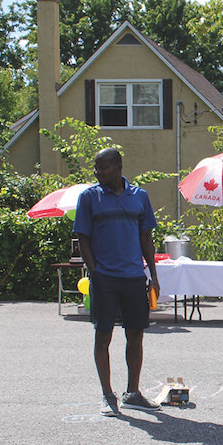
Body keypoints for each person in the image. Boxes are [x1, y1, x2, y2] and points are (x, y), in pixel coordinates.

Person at [74, 147, 161, 416]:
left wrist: (153, 276)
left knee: (136, 334)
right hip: (105, 278)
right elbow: (83, 239)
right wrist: (94, 271)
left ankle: (132, 393)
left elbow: (146, 237)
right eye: (96, 168)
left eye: (103, 167)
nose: (97, 172)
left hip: (134, 276)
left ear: (119, 167)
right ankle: (107, 395)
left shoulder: (140, 197)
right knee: (103, 335)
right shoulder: (89, 197)